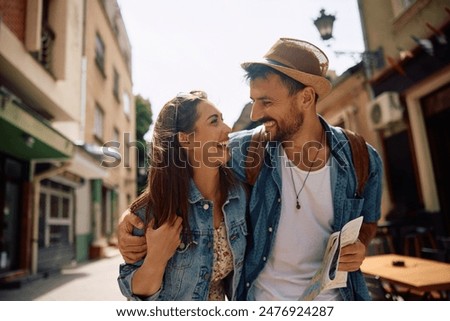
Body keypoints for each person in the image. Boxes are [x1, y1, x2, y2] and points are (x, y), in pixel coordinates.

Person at [117, 38, 383, 301]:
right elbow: (183, 165)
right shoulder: (246, 149)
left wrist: (360, 245)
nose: (255, 114)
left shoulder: (361, 158)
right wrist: (130, 217)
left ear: (305, 98)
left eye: (266, 102)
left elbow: (369, 220)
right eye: (253, 100)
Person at [117, 91, 248, 301]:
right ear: (186, 139)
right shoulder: (152, 212)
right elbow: (134, 296)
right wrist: (156, 259)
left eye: (222, 119)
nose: (228, 129)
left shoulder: (238, 196)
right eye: (214, 122)